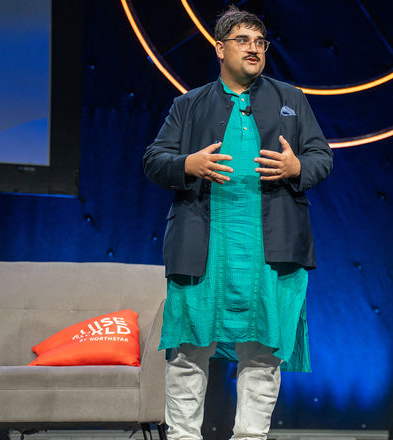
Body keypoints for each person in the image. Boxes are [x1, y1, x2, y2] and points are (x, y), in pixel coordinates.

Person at [142, 7, 332, 440]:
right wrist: (187, 163)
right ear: (220, 48)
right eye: (244, 40)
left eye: (260, 42)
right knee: (189, 352)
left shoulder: (291, 100)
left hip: (273, 249)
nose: (254, 49)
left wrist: (295, 165)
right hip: (203, 246)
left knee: (263, 354)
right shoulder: (187, 105)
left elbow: (323, 158)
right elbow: (154, 160)